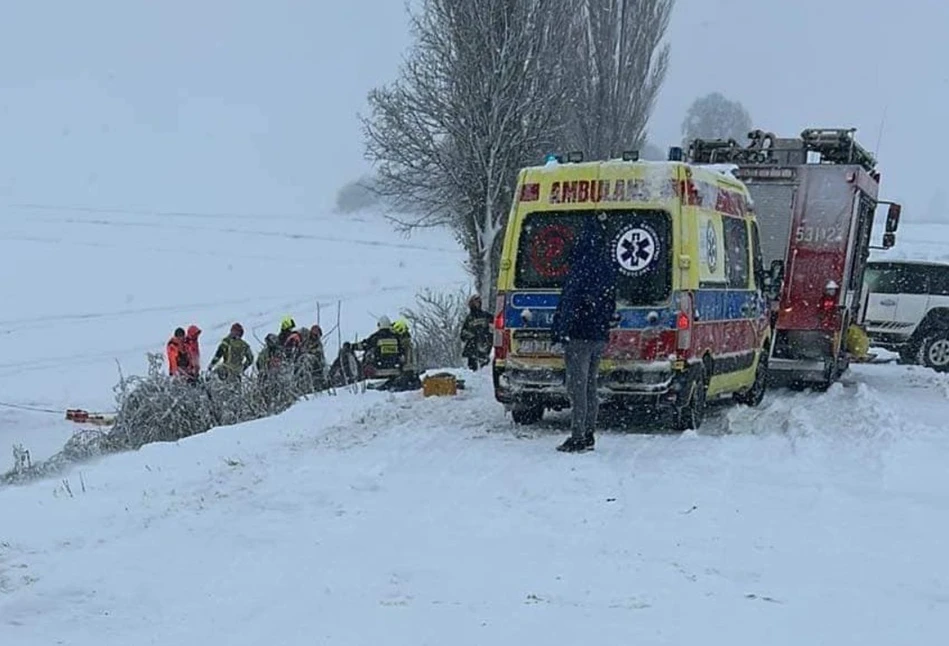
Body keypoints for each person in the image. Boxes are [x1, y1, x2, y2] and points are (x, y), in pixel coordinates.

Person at [550, 214, 618, 453]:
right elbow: (610, 304)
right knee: (590, 386)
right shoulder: (606, 267)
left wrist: (559, 331)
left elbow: (568, 303)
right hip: (599, 335)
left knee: (576, 387)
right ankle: (589, 433)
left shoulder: (580, 269)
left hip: (578, 336)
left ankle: (578, 436)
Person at [460, 294, 493, 370]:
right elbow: (463, 334)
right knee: (472, 370)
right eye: (475, 302)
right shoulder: (469, 318)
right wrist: (471, 336)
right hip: (472, 348)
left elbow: (496, 325)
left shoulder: (486, 315)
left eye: (478, 302)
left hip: (484, 346)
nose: (477, 304)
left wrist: (490, 336)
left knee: (485, 369)